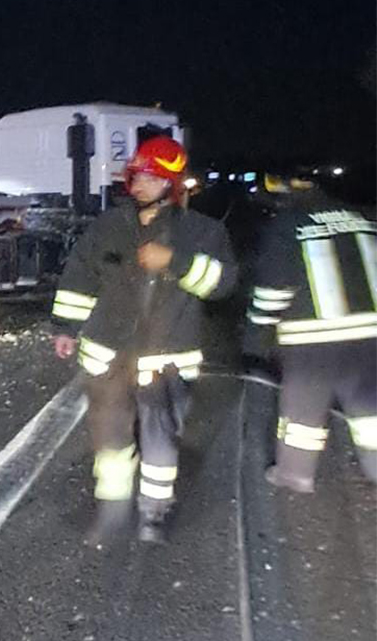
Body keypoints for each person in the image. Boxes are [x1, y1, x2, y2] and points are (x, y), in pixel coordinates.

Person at [51, 136, 237, 545]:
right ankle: (113, 511)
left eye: (150, 178)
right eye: (136, 177)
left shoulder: (202, 232)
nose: (138, 185)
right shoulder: (110, 226)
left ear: (171, 184)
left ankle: (155, 512)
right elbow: (80, 276)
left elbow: (224, 284)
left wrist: (176, 263)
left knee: (159, 443)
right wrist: (65, 326)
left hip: (166, 361)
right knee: (111, 439)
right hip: (108, 358)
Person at [245, 172, 377, 491]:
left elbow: (274, 290)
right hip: (370, 336)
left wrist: (256, 336)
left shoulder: (288, 224)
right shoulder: (362, 219)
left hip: (312, 342)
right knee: (370, 407)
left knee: (302, 410)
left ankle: (295, 473)